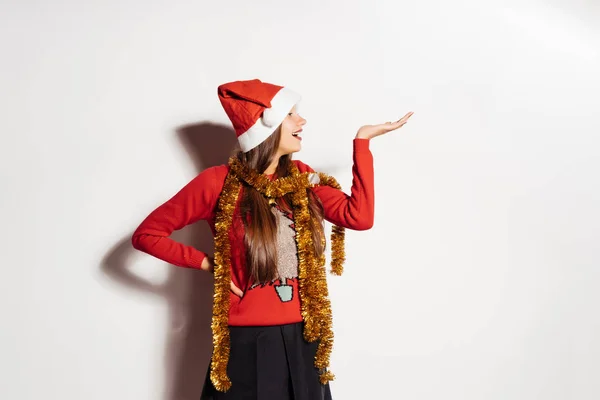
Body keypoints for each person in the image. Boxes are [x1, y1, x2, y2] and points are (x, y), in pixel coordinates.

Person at [131, 78, 413, 399]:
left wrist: (362, 141)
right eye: (291, 114)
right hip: (247, 343)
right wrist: (210, 264)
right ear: (267, 127)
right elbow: (147, 235)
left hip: (305, 339)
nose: (301, 121)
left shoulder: (301, 178)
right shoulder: (216, 183)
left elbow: (358, 216)